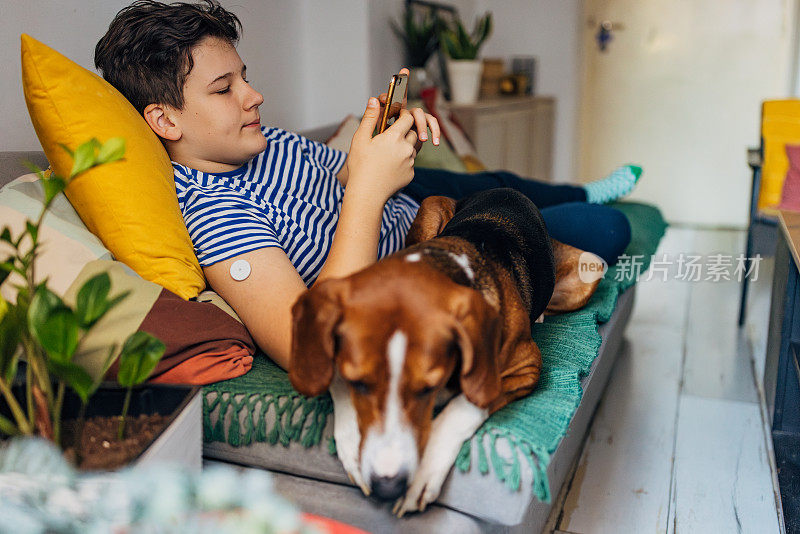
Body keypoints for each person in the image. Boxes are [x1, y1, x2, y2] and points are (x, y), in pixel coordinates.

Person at [94, 0, 638, 370]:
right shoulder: (215, 216)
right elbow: (307, 345)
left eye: (245, 77)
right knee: (605, 230)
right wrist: (369, 191)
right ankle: (574, 213)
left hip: (419, 208)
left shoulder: (262, 140)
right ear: (166, 121)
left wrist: (372, 151)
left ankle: (574, 200)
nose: (254, 95)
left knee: (511, 190)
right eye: (224, 89)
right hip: (428, 247)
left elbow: (336, 182)